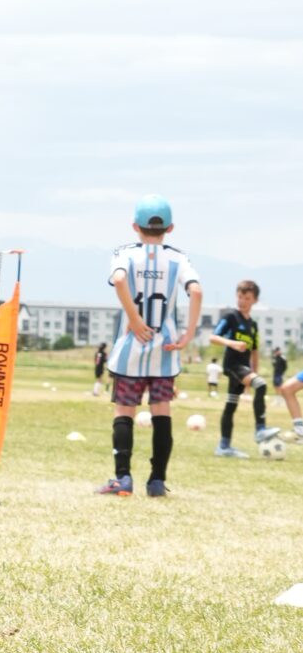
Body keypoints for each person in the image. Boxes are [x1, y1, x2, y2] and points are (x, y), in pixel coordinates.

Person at [97, 201, 202, 497]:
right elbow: (196, 290)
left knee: (124, 411)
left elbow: (118, 280)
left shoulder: (125, 254)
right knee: (162, 413)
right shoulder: (178, 259)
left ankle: (123, 479)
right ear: (169, 229)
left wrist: (133, 317)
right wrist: (188, 334)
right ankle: (156, 481)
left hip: (132, 346)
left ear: (135, 227)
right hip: (165, 349)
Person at [210, 279, 267, 457]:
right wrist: (232, 343)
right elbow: (213, 337)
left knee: (231, 405)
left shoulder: (253, 325)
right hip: (233, 365)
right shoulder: (231, 317)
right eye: (240, 297)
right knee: (262, 385)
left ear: (255, 300)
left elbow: (254, 351)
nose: (242, 301)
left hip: (244, 368)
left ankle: (224, 447)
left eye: (247, 298)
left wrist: (254, 371)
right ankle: (260, 429)